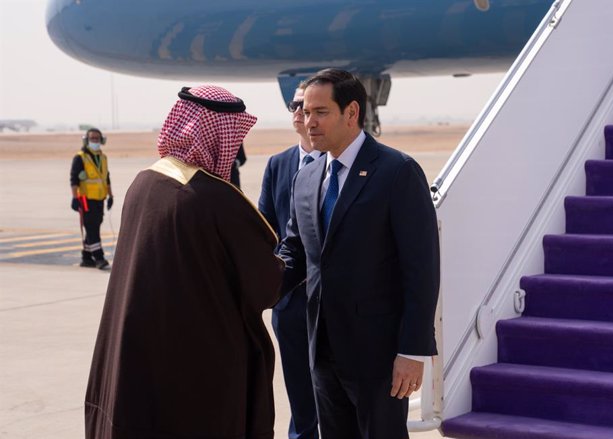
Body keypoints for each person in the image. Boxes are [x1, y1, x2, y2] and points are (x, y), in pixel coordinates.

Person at [84, 85, 284, 439]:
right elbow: (266, 287)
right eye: (233, 137)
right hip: (195, 366)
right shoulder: (215, 199)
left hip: (139, 355)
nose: (234, 147)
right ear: (217, 135)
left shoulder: (143, 182)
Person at [278, 69, 440, 438]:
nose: (307, 121)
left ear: (351, 113)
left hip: (380, 357)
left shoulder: (397, 172)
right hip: (322, 352)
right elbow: (295, 253)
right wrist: (251, 285)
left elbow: (422, 270)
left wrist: (413, 351)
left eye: (320, 112)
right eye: (304, 111)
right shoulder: (306, 177)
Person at [259, 82, 320, 439]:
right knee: (300, 397)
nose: (298, 112)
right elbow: (265, 229)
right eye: (293, 106)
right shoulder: (278, 165)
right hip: (291, 305)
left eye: (305, 105)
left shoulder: (339, 165)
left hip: (334, 304)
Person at [69, 128, 113, 269]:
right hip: (86, 199)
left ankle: (86, 258)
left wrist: (110, 195)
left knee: (94, 226)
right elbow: (74, 179)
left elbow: (106, 178)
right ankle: (99, 258)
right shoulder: (80, 157)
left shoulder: (103, 157)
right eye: (92, 138)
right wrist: (75, 198)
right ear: (86, 140)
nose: (95, 141)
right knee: (93, 228)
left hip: (99, 199)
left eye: (97, 138)